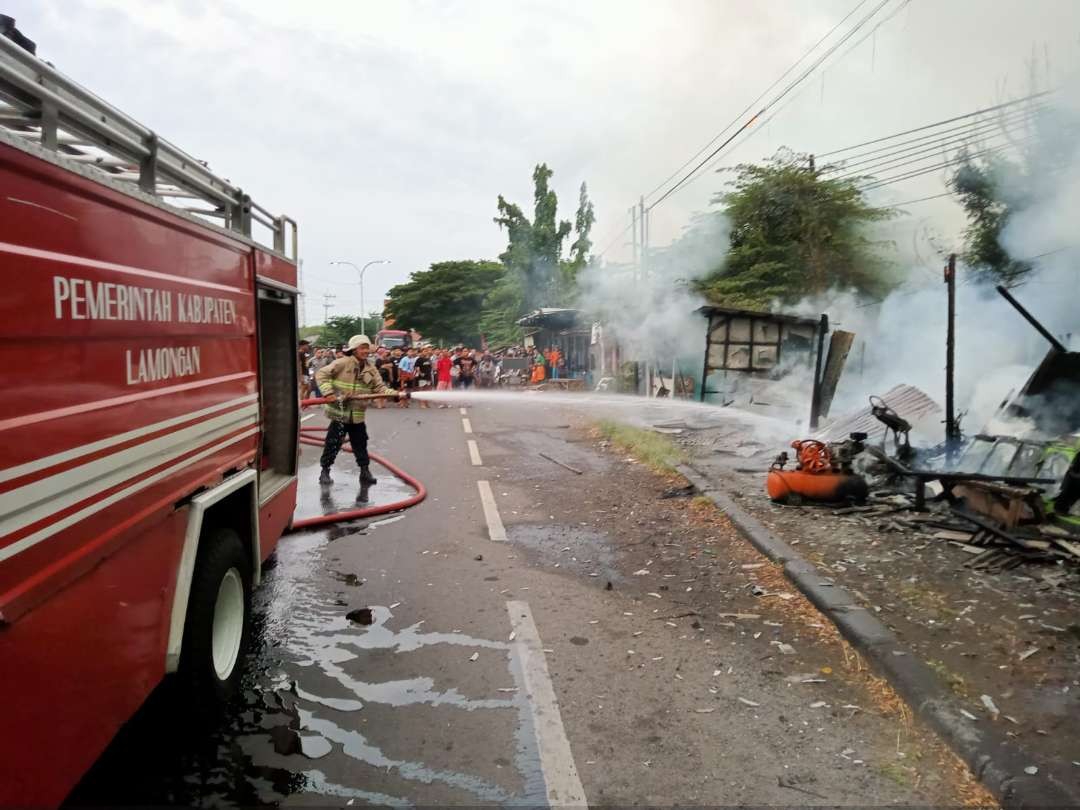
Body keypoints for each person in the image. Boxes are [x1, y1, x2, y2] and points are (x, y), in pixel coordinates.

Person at [314, 334, 403, 486]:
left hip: (357, 414)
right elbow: (321, 374)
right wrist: (328, 393)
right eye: (362, 348)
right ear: (354, 350)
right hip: (340, 413)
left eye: (367, 348)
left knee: (360, 443)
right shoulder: (342, 362)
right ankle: (325, 471)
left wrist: (396, 394)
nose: (366, 351)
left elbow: (380, 388)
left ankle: (364, 472)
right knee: (333, 443)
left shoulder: (371, 368)